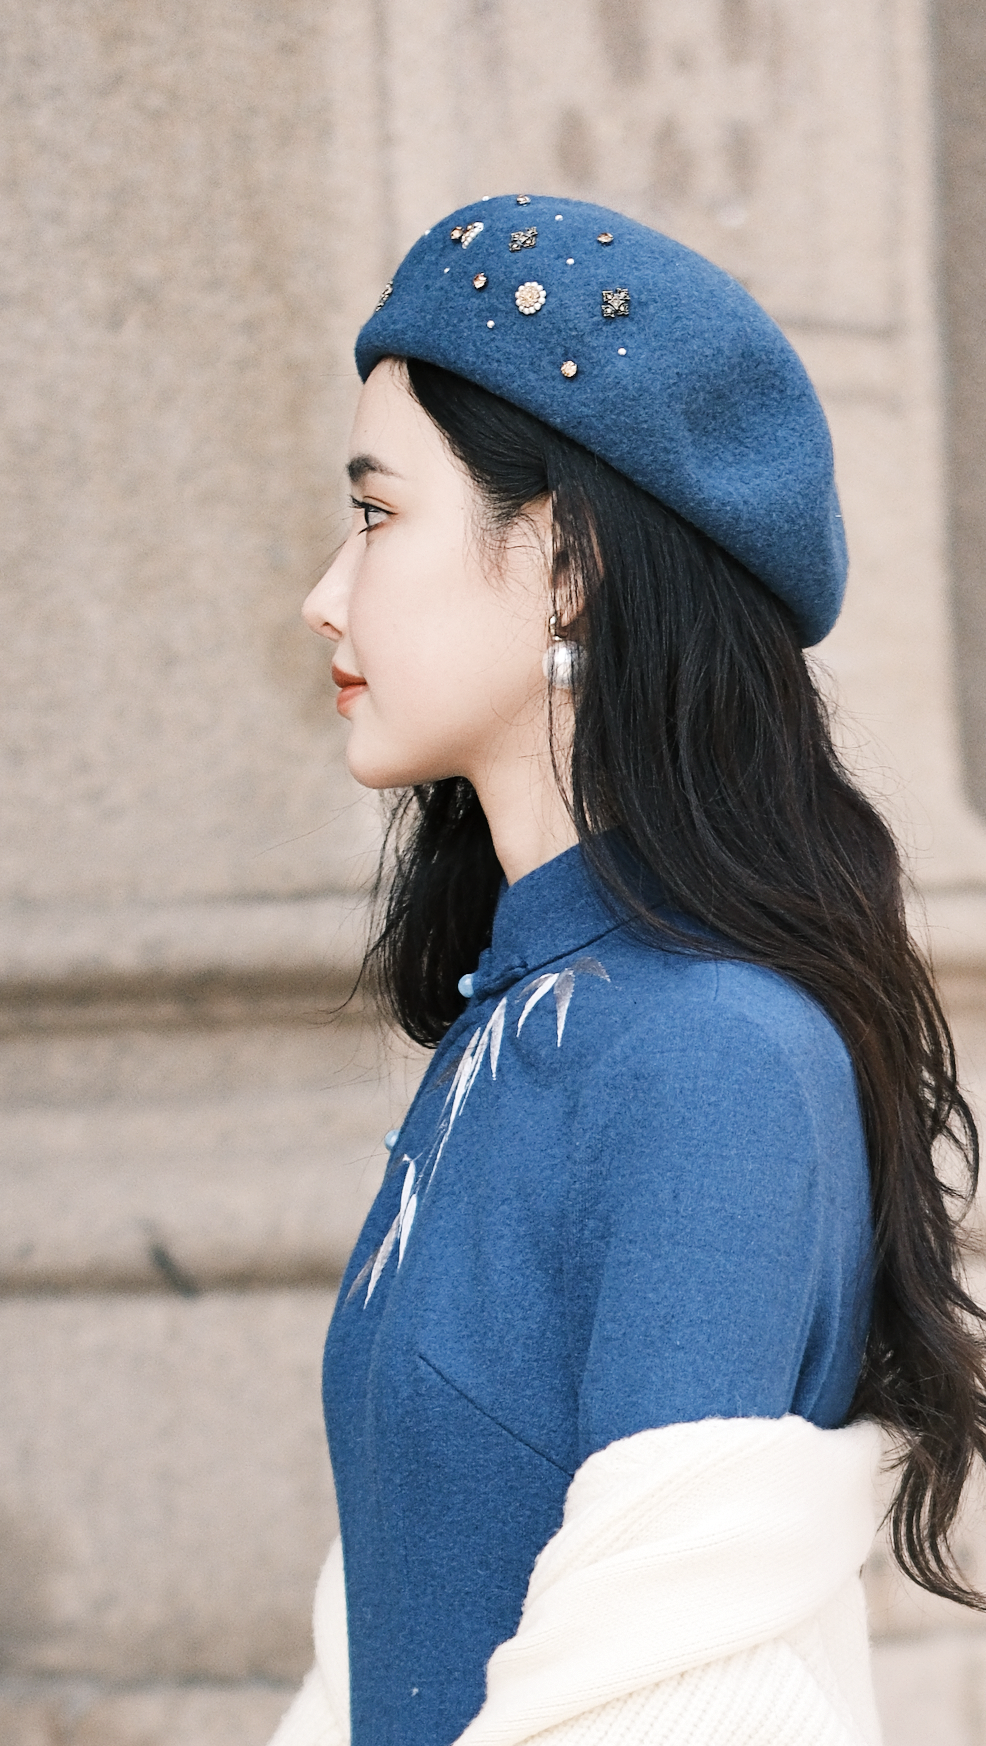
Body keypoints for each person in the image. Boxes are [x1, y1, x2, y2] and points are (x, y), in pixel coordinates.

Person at [272, 196, 985, 1746]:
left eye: (377, 515)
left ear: (568, 562)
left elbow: (671, 1694)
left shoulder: (710, 1054)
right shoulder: (513, 1024)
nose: (327, 592)